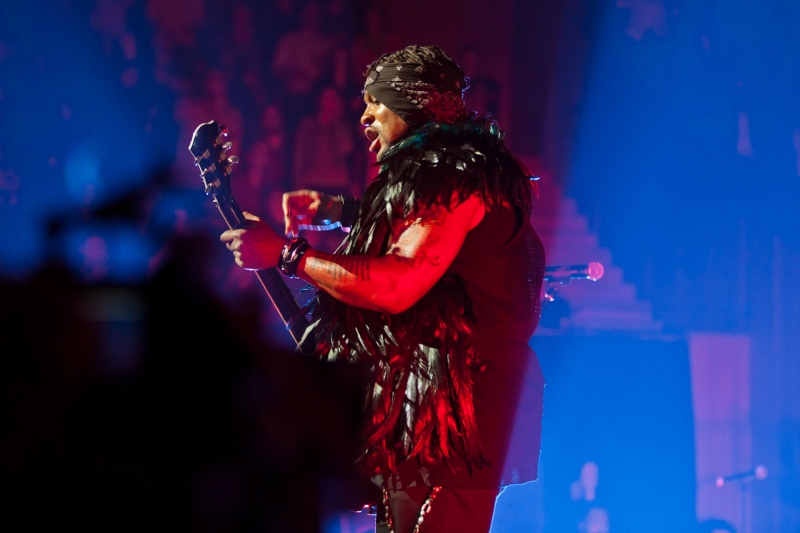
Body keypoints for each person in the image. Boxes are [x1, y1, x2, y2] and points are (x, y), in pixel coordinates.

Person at [221, 45, 545, 533]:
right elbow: (425, 226)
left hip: (463, 400)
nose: (366, 117)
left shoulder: (460, 178)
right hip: (431, 394)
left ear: (410, 105)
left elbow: (401, 280)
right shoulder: (444, 176)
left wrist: (288, 256)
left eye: (376, 102)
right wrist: (341, 211)